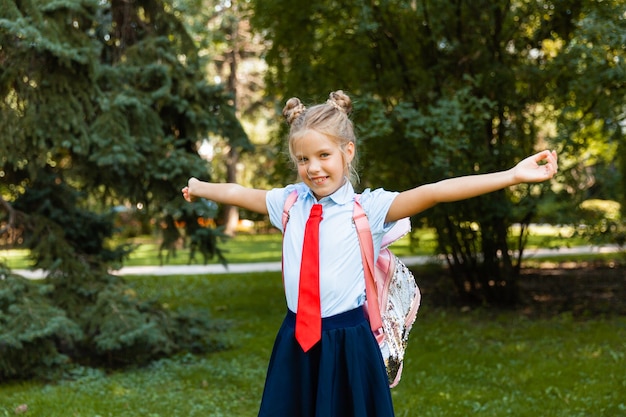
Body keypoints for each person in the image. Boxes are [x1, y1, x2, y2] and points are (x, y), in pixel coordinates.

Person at [181, 90, 558, 417]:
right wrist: (200, 186)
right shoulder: (289, 203)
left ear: (347, 151)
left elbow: (436, 191)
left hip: (350, 341)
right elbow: (237, 192)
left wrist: (511, 175)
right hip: (295, 339)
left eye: (323, 155)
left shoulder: (368, 209)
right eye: (303, 160)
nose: (313, 168)